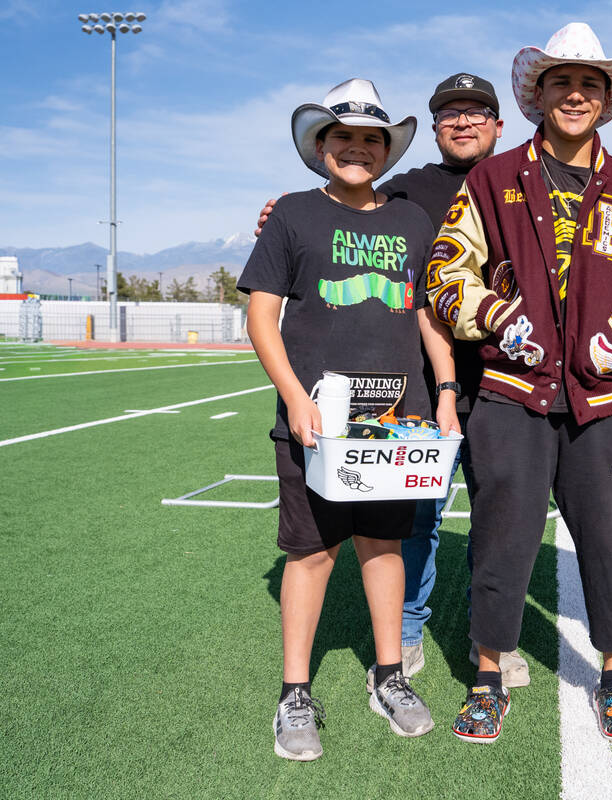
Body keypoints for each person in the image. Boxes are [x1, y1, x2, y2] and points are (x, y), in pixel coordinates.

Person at [256, 73, 533, 690]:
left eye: (477, 112)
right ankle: (404, 637)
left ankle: (492, 640)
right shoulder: (405, 194)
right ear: (433, 128)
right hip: (418, 391)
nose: (463, 122)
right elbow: (340, 222)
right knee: (415, 522)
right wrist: (280, 216)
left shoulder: (524, 179)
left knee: (503, 518)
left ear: (498, 122)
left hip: (507, 378)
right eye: (450, 113)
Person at [427, 22, 612, 744]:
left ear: (607, 98)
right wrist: (497, 316)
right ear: (538, 94)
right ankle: (489, 679)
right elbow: (443, 274)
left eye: (590, 84)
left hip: (608, 401)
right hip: (512, 396)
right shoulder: (491, 180)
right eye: (562, 82)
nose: (576, 94)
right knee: (501, 542)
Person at [237, 78, 460, 761]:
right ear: (320, 145)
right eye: (344, 137)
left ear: (388, 150)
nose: (357, 149)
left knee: (386, 549)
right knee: (310, 553)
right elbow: (260, 315)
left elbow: (425, 313)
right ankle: (295, 692)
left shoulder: (411, 221)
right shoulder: (293, 215)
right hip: (316, 425)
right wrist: (295, 396)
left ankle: (389, 676)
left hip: (397, 422)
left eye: (371, 139)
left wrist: (446, 390)